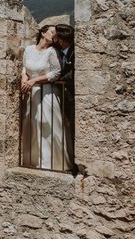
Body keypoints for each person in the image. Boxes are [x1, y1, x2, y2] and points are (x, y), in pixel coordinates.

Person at [20, 25, 70, 170]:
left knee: (47, 126)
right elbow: (24, 68)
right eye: (52, 32)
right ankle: (33, 161)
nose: (55, 35)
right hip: (32, 94)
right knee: (33, 125)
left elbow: (56, 73)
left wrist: (35, 80)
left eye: (56, 34)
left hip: (47, 93)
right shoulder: (28, 49)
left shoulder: (52, 51)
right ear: (43, 33)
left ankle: (50, 164)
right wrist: (24, 79)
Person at [54, 24, 75, 173]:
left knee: (73, 127)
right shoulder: (57, 51)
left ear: (61, 40)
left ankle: (74, 162)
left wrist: (56, 79)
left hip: (71, 97)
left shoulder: (74, 52)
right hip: (60, 96)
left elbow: (72, 74)